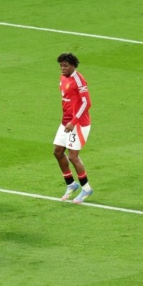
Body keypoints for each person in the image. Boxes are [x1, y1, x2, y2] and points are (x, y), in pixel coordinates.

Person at [55, 52, 94, 204]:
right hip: (66, 122)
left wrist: (74, 121)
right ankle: (71, 184)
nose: (62, 68)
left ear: (73, 66)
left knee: (73, 156)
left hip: (78, 124)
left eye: (65, 66)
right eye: (61, 66)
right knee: (58, 152)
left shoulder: (79, 80)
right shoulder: (63, 78)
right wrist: (66, 120)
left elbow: (86, 103)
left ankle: (86, 188)